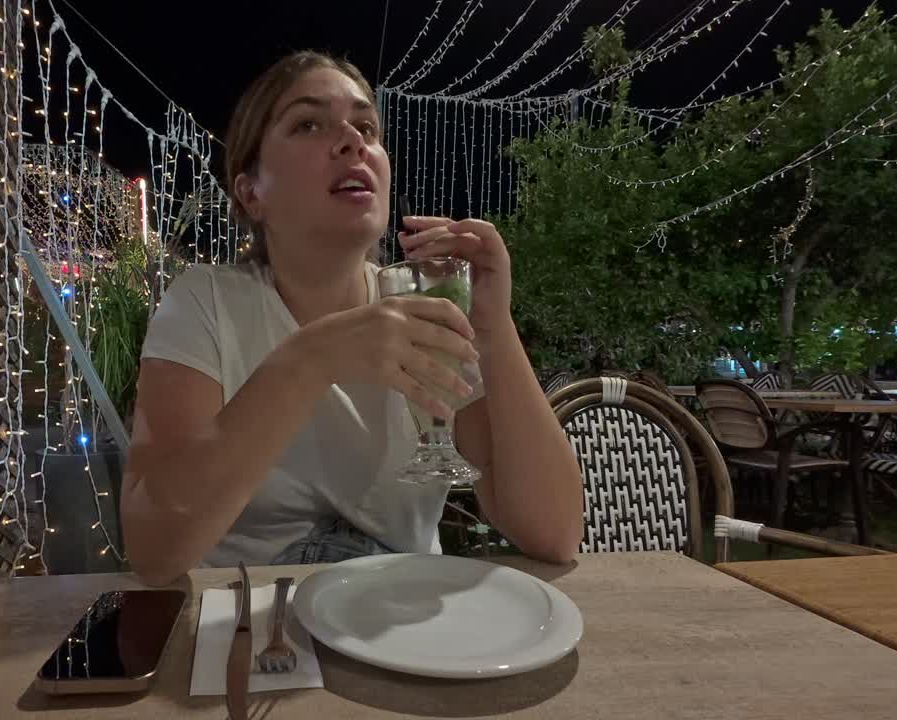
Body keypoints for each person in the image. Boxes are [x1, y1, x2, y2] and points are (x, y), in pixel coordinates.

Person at [121, 51, 582, 585]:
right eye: (308, 123)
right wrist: (310, 358)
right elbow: (154, 552)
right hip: (255, 633)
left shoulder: (428, 312)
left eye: (366, 126)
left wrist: (495, 326)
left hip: (402, 626)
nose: (352, 141)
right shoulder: (205, 302)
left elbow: (554, 533)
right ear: (251, 192)